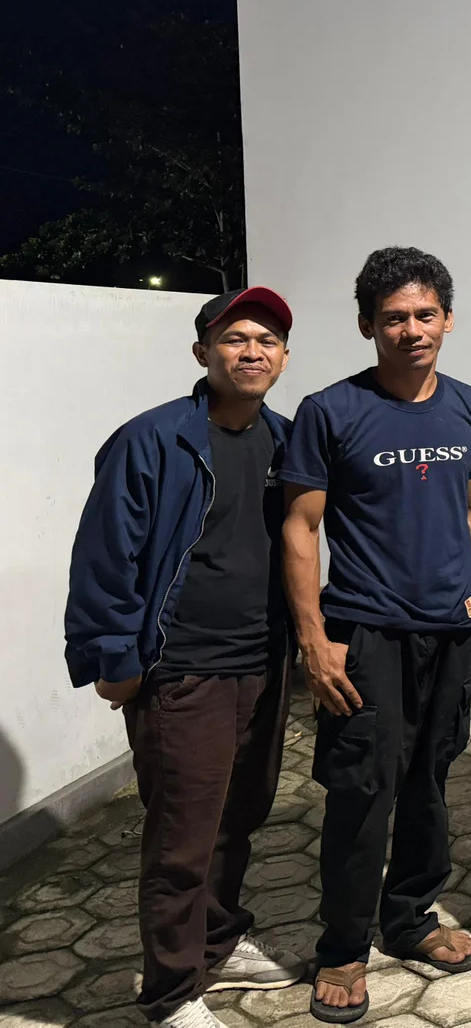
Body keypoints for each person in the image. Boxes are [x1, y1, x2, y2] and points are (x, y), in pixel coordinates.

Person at [63, 287, 305, 1028]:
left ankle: (219, 942)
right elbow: (106, 556)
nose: (252, 351)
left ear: (283, 357)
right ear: (203, 352)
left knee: (240, 818)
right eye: (235, 338)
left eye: (267, 340)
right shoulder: (152, 440)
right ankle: (171, 993)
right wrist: (113, 656)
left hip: (263, 665)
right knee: (182, 839)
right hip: (182, 671)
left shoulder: (287, 440)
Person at [281, 247, 471, 1023]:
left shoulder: (468, 405)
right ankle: (343, 946)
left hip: (450, 631)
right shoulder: (331, 411)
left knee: (431, 781)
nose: (412, 330)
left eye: (424, 314)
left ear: (447, 318)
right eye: (394, 318)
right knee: (361, 790)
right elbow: (301, 528)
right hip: (367, 632)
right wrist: (313, 638)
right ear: (367, 325)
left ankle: (410, 917)